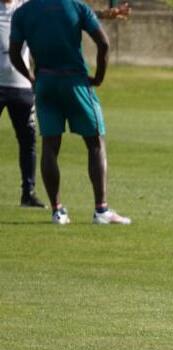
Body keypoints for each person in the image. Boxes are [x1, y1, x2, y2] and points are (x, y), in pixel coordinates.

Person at [9, 0, 131, 224]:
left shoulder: (23, 12)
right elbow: (103, 43)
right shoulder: (76, 7)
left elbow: (14, 53)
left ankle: (57, 211)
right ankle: (101, 210)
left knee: (50, 145)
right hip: (75, 81)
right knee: (95, 142)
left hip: (45, 82)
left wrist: (31, 78)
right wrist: (99, 78)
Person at [0, 0, 42, 207]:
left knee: (28, 141)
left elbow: (62, 12)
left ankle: (28, 192)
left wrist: (103, 14)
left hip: (22, 86)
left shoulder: (26, 7)